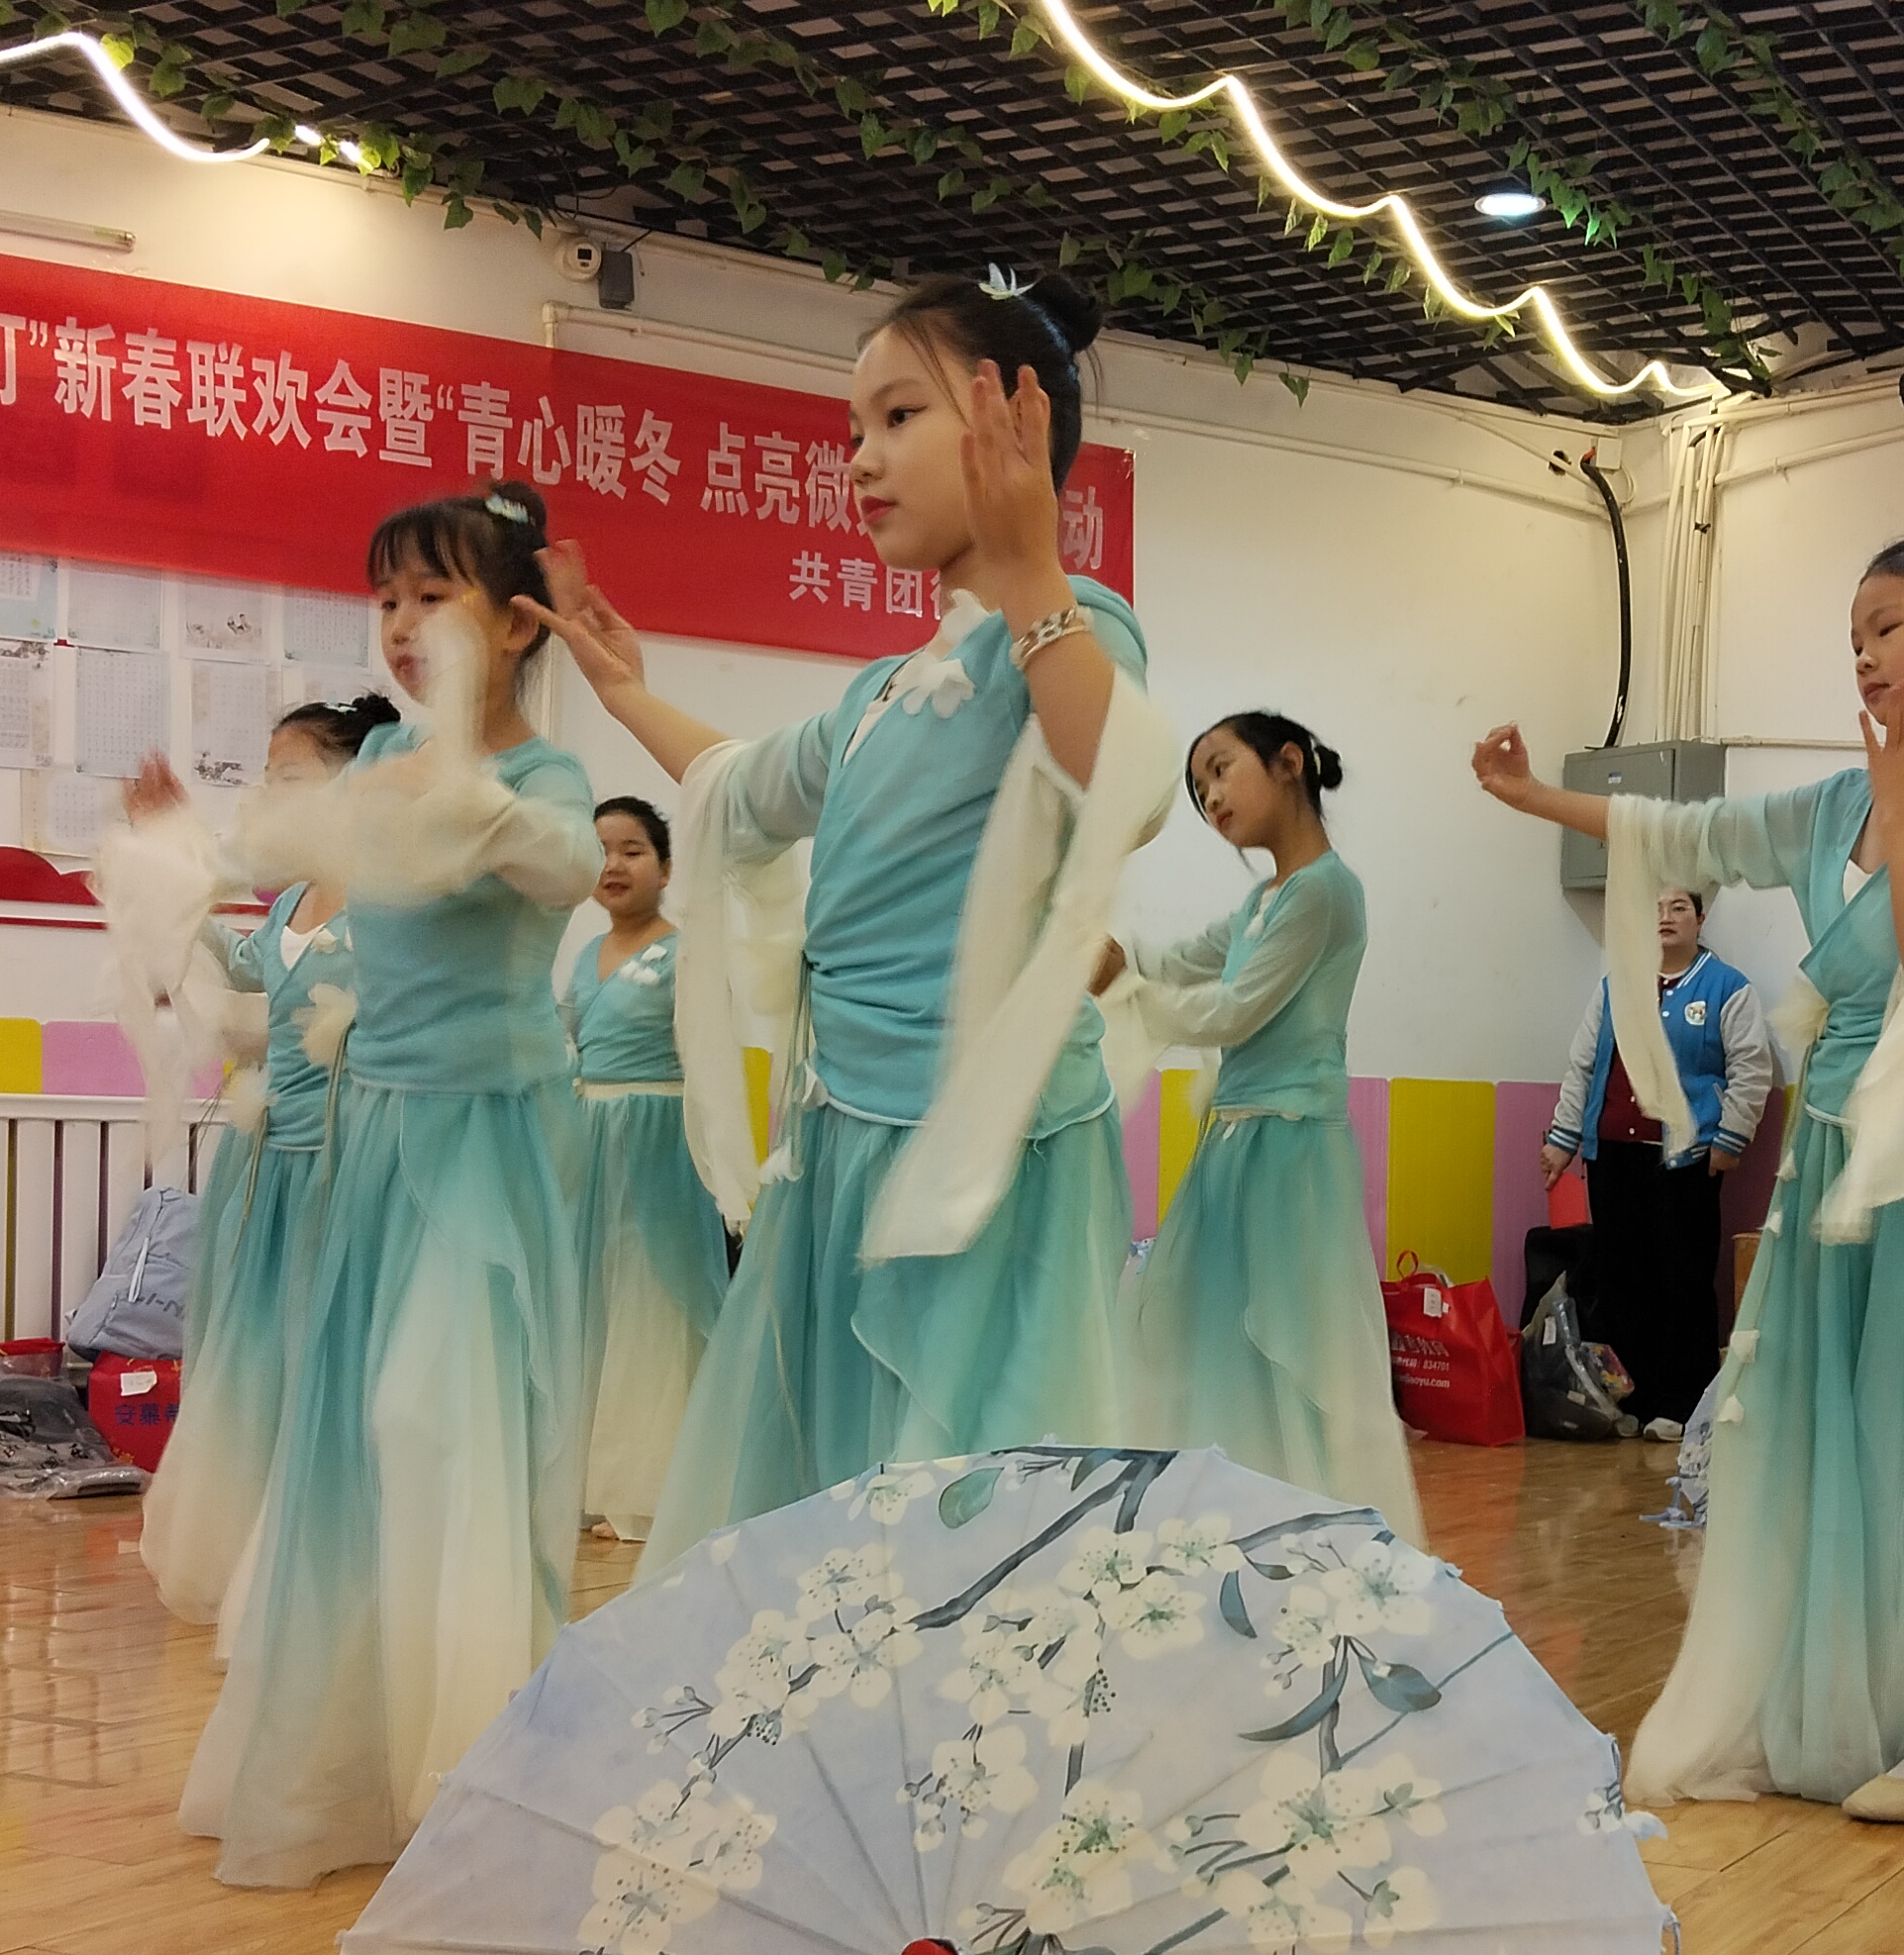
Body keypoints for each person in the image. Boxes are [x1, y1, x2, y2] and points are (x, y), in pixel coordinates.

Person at [526, 273, 1171, 1564]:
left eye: (898, 417)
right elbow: (740, 790)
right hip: (842, 1141)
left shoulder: (1074, 625)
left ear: (1013, 421)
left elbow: (1123, 785)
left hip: (983, 1161)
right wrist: (624, 693)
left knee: (972, 1502)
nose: (861, 460)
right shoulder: (878, 692)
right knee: (840, 1497)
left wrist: (1035, 565)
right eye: (854, 430)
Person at [1472, 531, 1904, 1819]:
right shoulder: (1833, 802)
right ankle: (1827, 1711)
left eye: (1889, 624)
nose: (1866, 653)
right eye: (1855, 634)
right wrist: (1536, 800)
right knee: (1810, 1425)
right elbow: (1686, 828)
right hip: (1836, 1134)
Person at [170, 480, 604, 1885]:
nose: (404, 624)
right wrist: (178, 857)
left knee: (449, 1425)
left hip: (490, 1138)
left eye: (434, 597)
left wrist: (472, 793)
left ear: (516, 623)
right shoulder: (382, 765)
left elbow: (565, 867)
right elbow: (275, 860)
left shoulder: (540, 775)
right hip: (377, 1137)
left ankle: (472, 1762)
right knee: (362, 1438)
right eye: (387, 600)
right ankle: (352, 1754)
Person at [1095, 711, 1423, 1541]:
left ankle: (1304, 1529)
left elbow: (1236, 1010)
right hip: (1234, 1148)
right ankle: (1222, 1525)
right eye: (1197, 786)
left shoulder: (1326, 892)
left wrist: (1126, 988)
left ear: (1288, 762)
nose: (1209, 796)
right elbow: (1183, 961)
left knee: (1292, 1346)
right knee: (1211, 1341)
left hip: (1291, 1152)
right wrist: (1115, 954)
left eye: (1219, 769)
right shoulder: (1263, 899)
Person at [131, 695, 395, 1626]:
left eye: (292, 776)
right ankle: (259, 1542)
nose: (273, 793)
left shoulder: (397, 897)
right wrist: (169, 860)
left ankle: (334, 1553)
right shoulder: (291, 898)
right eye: (269, 776)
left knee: (338, 1353)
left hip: (350, 1155)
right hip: (269, 1160)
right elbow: (243, 964)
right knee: (259, 1355)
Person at [1541, 885, 1771, 1438]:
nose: (1666, 918)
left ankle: (1683, 1404)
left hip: (1686, 1158)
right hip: (1613, 1155)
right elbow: (1583, 1066)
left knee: (1682, 1279)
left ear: (1700, 918)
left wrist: (1730, 1139)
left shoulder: (1727, 988)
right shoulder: (1616, 987)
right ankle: (1631, 1398)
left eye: (1679, 908)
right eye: (1657, 910)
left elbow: (1751, 1069)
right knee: (1622, 1278)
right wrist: (1562, 1140)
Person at [560, 793, 726, 1542]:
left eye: (632, 849)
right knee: (592, 1307)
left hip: (659, 1140)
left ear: (665, 867)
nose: (614, 864)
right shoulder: (583, 958)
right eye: (600, 850)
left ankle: (649, 1490)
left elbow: (715, 1053)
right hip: (588, 1141)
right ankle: (590, 1484)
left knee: (653, 1310)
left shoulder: (686, 952)